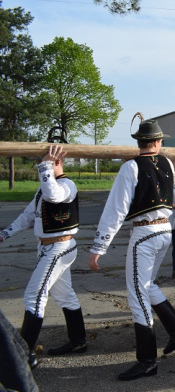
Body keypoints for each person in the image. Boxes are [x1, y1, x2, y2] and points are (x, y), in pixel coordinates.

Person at [88, 117, 175, 381]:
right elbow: (156, 166)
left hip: (145, 233)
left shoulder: (130, 168)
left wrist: (99, 246)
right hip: (165, 231)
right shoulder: (168, 162)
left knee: (137, 294)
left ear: (138, 142)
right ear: (158, 142)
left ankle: (147, 361)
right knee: (148, 285)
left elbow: (116, 209)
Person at [0, 144, 87, 369]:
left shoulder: (67, 185)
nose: (39, 167)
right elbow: (28, 216)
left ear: (55, 163)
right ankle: (78, 341)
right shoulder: (44, 188)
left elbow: (54, 196)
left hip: (60, 247)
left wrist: (46, 167)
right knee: (65, 295)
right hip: (49, 247)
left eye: (43, 163)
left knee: (34, 296)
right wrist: (4, 234)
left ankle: (24, 356)